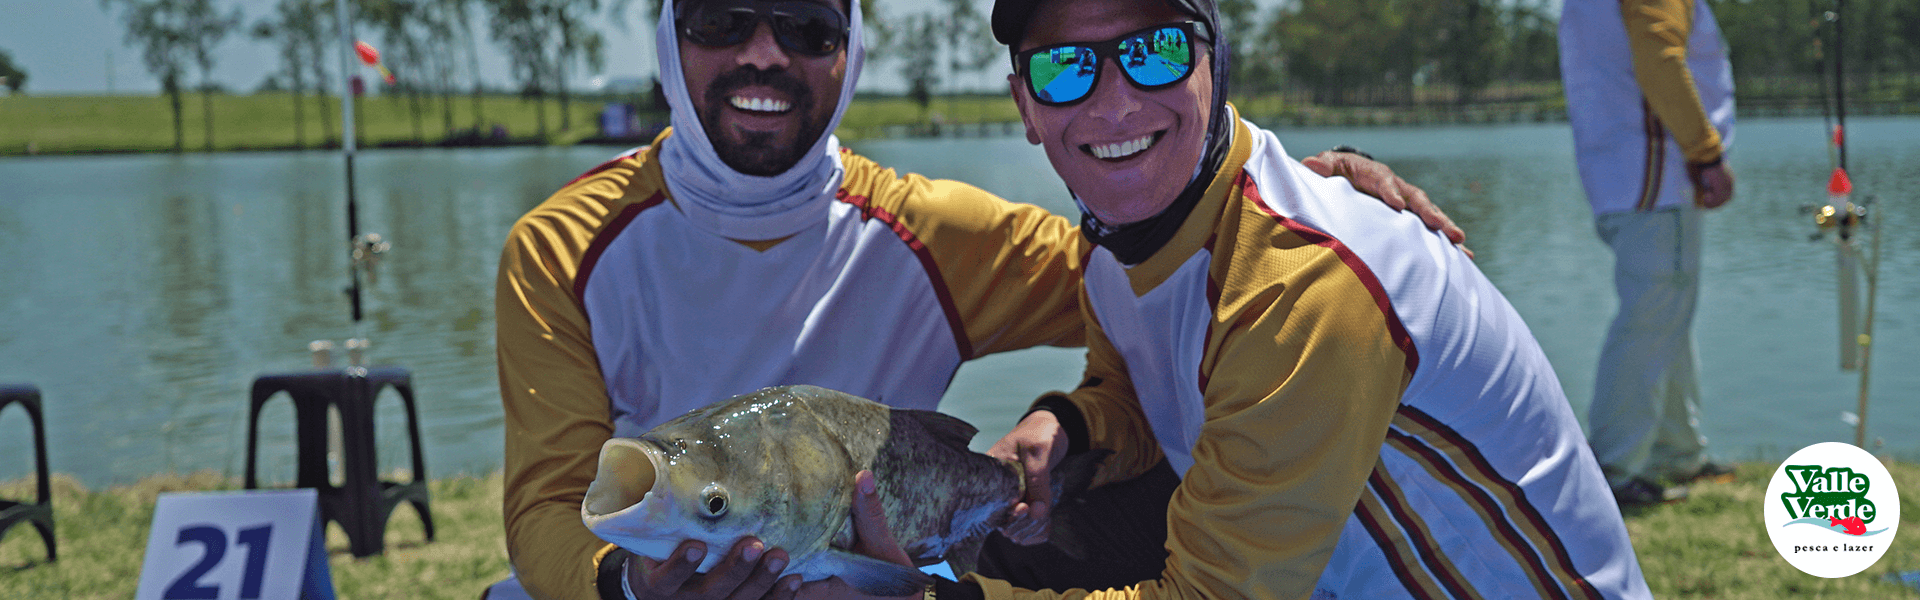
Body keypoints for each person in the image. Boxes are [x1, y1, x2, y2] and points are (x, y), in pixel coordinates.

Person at [494, 0, 1462, 597]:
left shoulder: (926, 233)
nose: (763, 56)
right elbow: (546, 509)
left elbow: (1151, 257)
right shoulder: (559, 250)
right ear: (668, 35)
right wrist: (630, 588)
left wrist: (1293, 185)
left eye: (806, 27)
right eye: (719, 20)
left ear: (850, 47)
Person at [835, 0, 1656, 597]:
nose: (1114, 100)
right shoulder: (1119, 239)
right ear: (1025, 107)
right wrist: (1071, 424)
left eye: (1153, 50)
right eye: (1064, 68)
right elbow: (1142, 392)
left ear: (1212, 63)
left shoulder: (1301, 283)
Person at [1559, 0, 1736, 507]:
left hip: (1623, 176)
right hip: (1659, 178)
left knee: (1664, 317)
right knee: (1651, 320)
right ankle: (1613, 468)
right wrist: (1706, 153)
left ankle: (1677, 453)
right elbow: (1659, 56)